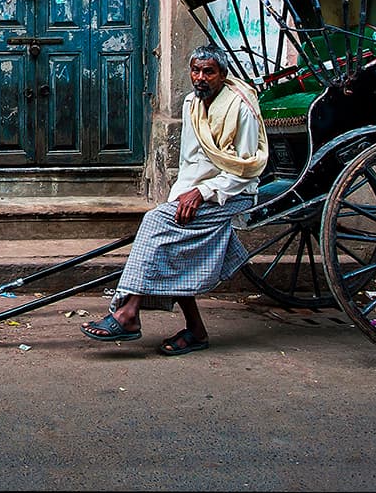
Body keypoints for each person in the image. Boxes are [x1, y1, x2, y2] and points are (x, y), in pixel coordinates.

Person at [80, 44, 268, 355]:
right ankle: (194, 330)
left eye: (209, 72)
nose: (200, 77)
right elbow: (189, 161)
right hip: (196, 193)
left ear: (223, 75)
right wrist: (178, 198)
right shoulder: (192, 103)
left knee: (157, 225)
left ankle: (127, 312)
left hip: (233, 193)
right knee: (170, 238)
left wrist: (203, 192)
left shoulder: (240, 109)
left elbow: (246, 171)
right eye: (196, 70)